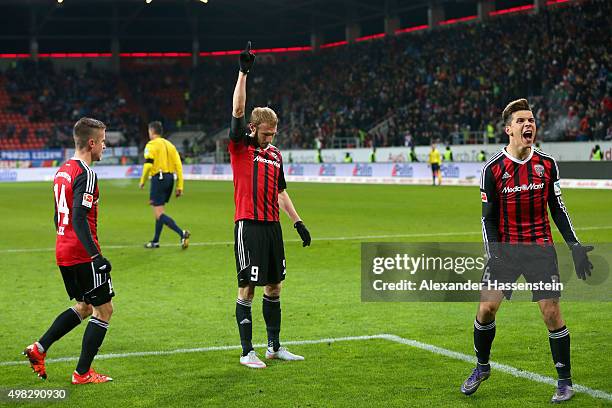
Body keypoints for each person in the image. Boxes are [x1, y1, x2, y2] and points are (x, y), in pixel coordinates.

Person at [461, 99, 594, 403]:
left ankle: (564, 381)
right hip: (504, 251)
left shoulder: (546, 164)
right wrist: (493, 253)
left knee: (551, 313)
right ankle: (482, 367)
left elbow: (558, 210)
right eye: (521, 121)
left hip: (539, 249)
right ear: (508, 129)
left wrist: (574, 245)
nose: (528, 125)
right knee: (486, 309)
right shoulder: (493, 169)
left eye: (531, 120)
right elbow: (488, 218)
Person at [229, 42, 311, 369]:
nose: (270, 138)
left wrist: (298, 222)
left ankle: (274, 347)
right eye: (265, 133)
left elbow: (281, 192)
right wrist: (243, 72)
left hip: (273, 227)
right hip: (248, 225)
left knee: (275, 287)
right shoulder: (240, 147)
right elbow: (236, 110)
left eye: (274, 133)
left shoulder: (275, 155)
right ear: (253, 128)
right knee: (247, 287)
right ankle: (247, 351)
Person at [23, 117, 115, 384]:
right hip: (82, 253)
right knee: (104, 309)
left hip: (63, 249)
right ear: (91, 142)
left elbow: (57, 217)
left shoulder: (62, 170)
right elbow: (78, 218)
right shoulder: (86, 173)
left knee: (85, 306)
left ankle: (38, 349)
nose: (105, 147)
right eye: (103, 142)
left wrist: (66, 240)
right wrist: (96, 256)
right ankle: (82, 373)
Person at [139, 121, 190, 249]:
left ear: (151, 131)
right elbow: (179, 166)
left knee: (158, 214)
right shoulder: (170, 145)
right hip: (169, 179)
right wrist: (180, 186)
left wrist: (142, 180)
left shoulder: (151, 145)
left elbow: (148, 164)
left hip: (159, 178)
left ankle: (182, 233)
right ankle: (155, 241)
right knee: (160, 212)